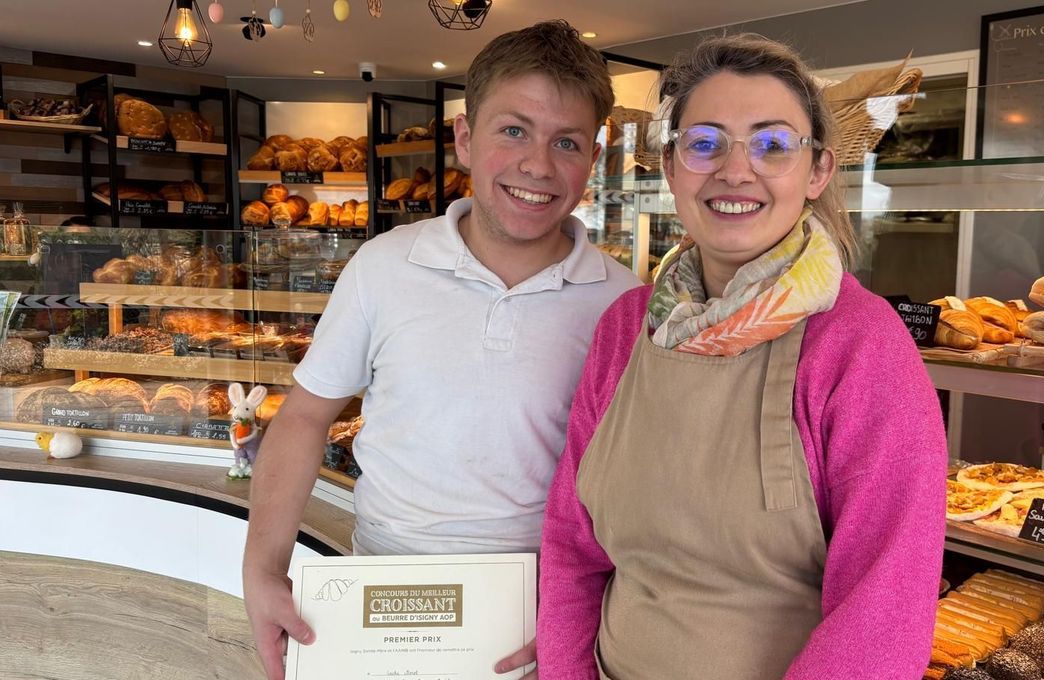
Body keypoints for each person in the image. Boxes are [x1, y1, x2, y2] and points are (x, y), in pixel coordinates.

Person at [536, 34, 946, 679]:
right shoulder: (625, 329)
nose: (735, 170)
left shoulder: (860, 345)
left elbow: (883, 607)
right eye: (704, 143)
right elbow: (571, 548)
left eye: (772, 145)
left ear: (817, 172)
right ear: (671, 168)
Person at [241, 20, 641, 680]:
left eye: (566, 142)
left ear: (592, 162)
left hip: (543, 602)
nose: (538, 164)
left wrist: (588, 598)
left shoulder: (622, 304)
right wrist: (262, 568)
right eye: (513, 130)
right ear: (463, 138)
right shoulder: (384, 266)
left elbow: (637, 478)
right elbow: (307, 416)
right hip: (384, 586)